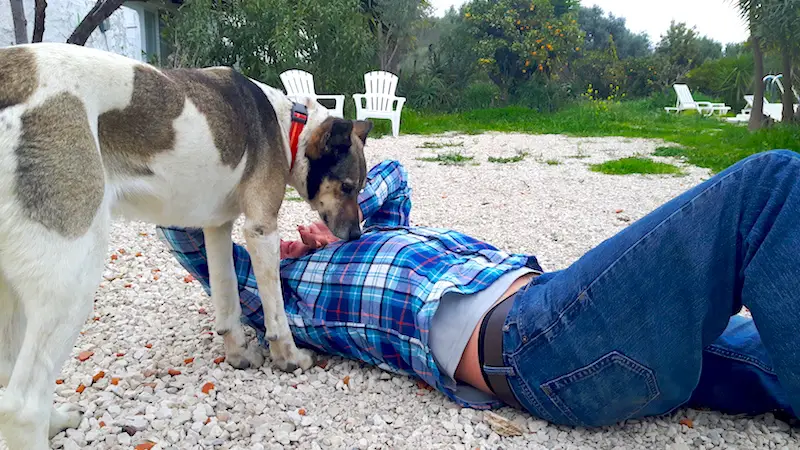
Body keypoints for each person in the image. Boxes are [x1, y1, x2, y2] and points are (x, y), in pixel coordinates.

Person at [156, 150, 800, 428]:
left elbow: (393, 177)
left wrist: (338, 225)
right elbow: (182, 223)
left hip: (581, 326)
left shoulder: (363, 226)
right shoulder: (278, 301)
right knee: (770, 189)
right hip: (540, 343)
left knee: (770, 358)